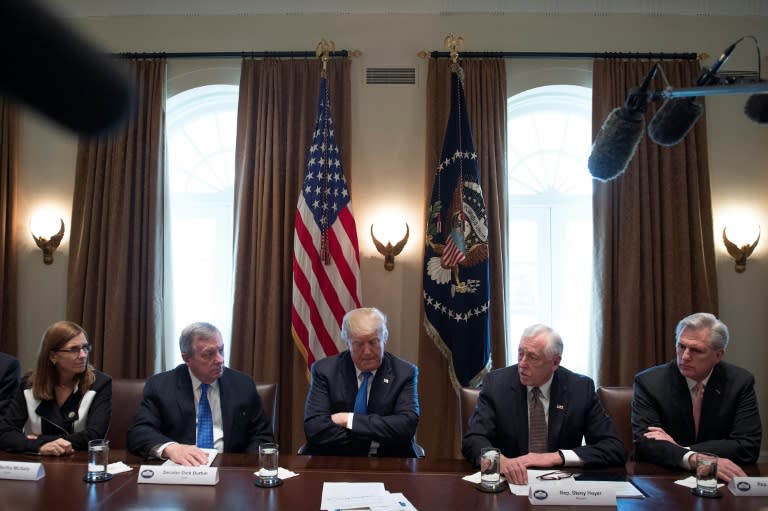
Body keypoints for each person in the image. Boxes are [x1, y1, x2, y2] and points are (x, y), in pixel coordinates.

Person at [462, 324, 626, 484]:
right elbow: (473, 439)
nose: (522, 363)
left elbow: (613, 448)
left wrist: (555, 457)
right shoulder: (497, 384)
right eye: (520, 353)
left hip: (560, 486)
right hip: (510, 485)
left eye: (532, 357)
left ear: (555, 363)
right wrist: (500, 462)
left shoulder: (580, 389)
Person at [632, 312, 761, 482]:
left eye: (696, 350)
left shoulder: (740, 383)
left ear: (718, 355)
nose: (685, 356)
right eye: (681, 346)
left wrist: (683, 449)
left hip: (721, 480)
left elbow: (747, 446)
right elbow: (646, 444)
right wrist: (695, 459)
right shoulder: (649, 382)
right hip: (664, 478)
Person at [127, 322, 273, 466]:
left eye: (221, 350)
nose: (220, 360)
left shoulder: (242, 385)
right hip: (181, 470)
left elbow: (262, 436)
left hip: (230, 470)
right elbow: (139, 432)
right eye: (208, 354)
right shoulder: (161, 386)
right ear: (187, 358)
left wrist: (244, 468)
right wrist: (172, 448)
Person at [302, 307, 421, 457]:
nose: (367, 351)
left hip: (389, 463)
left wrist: (348, 419)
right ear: (348, 343)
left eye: (373, 342)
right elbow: (314, 428)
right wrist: (376, 436)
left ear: (385, 338)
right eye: (359, 344)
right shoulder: (325, 371)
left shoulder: (404, 373)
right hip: (334, 461)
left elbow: (406, 427)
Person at [0, 321, 111, 455]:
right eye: (74, 349)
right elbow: (5, 433)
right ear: (53, 356)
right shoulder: (29, 385)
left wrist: (39, 441)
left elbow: (94, 436)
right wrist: (40, 447)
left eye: (86, 347)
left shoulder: (100, 383)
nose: (83, 355)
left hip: (80, 462)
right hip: (40, 464)